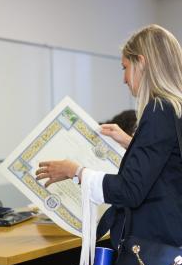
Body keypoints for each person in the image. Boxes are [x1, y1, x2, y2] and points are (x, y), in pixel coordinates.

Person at [36, 24, 182, 251]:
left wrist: (76, 172)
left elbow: (130, 191)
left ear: (141, 63)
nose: (124, 79)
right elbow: (168, 162)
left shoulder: (158, 109)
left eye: (125, 67)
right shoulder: (174, 108)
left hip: (155, 245)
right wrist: (129, 141)